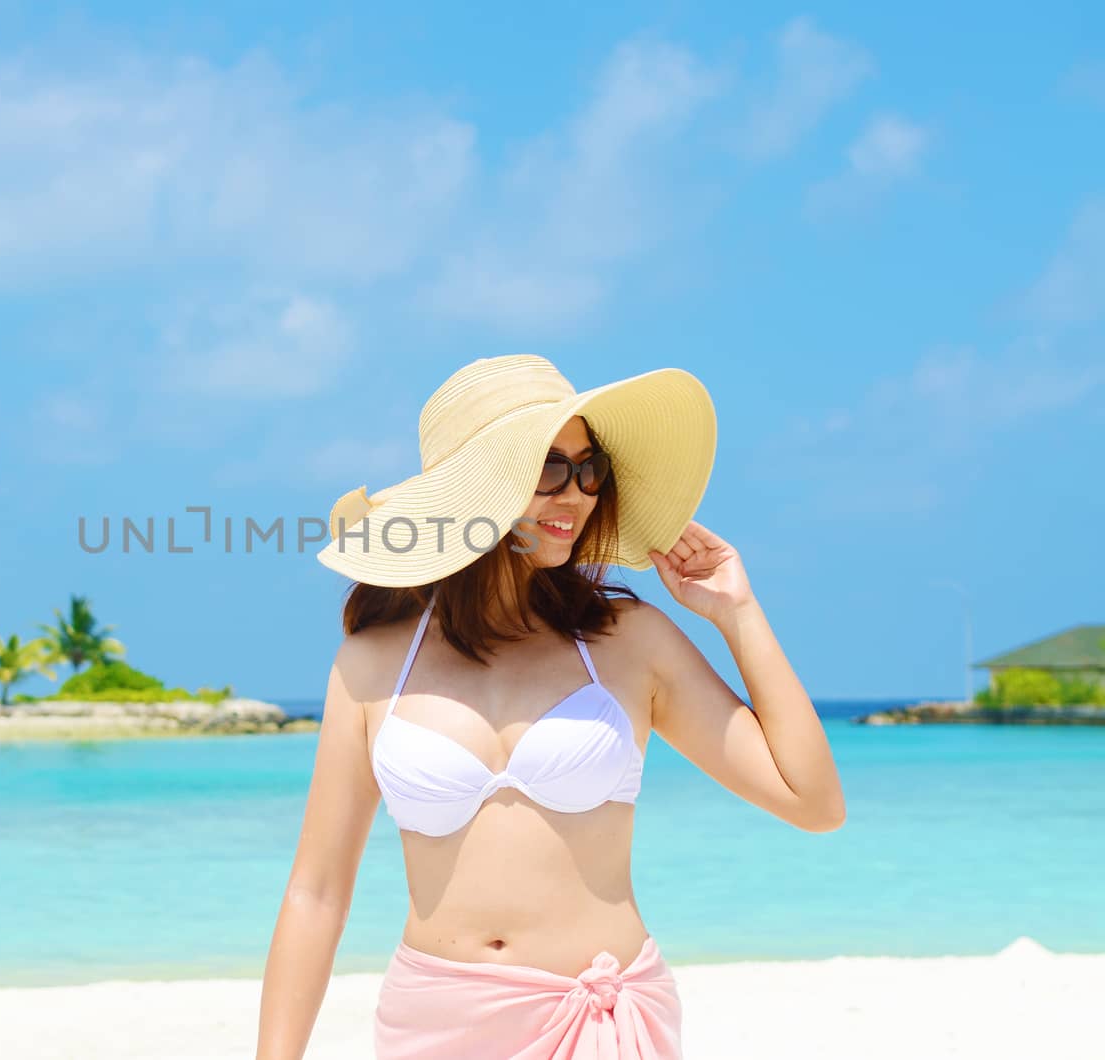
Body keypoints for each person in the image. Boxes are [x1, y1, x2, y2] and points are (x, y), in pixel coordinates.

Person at [255, 355, 846, 1059]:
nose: (577, 494)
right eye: (548, 469)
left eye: (589, 469)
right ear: (473, 488)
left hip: (601, 1022)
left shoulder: (630, 644)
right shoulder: (372, 663)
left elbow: (813, 803)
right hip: (436, 1026)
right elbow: (317, 892)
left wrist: (739, 615)